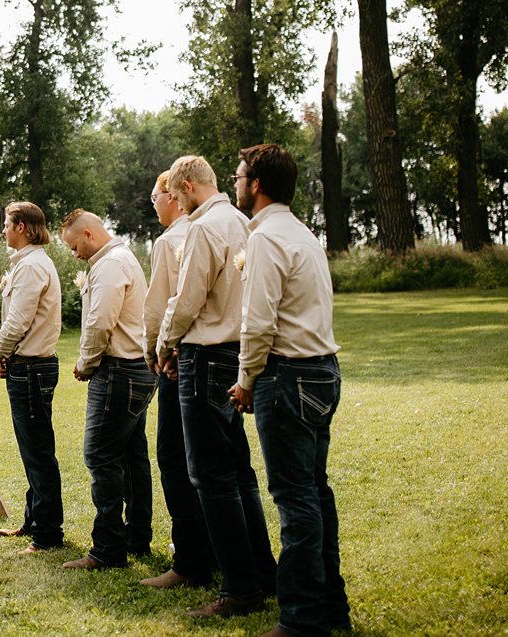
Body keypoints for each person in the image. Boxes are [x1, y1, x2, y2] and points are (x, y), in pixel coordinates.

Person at [229, 145, 350, 637]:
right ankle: (331, 610)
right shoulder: (303, 234)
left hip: (289, 375)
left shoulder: (264, 240)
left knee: (295, 499)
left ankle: (301, 621)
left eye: (238, 176)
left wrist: (245, 381)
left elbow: (258, 323)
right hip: (324, 370)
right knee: (315, 494)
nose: (235, 183)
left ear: (256, 184)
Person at [156, 155, 277, 618]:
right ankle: (263, 572)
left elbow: (186, 299)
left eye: (176, 193)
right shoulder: (244, 222)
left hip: (205, 354)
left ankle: (241, 587)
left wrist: (166, 347)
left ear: (187, 186)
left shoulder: (205, 228)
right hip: (235, 352)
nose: (175, 202)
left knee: (210, 475)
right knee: (238, 470)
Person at [60, 209, 155, 572]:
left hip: (119, 371)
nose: (75, 254)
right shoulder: (121, 257)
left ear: (88, 233)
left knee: (99, 455)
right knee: (132, 456)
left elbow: (100, 323)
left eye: (74, 246)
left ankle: (108, 548)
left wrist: (85, 363)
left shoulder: (111, 264)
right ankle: (137, 537)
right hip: (135, 369)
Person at [139, 170, 214, 589]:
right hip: (218, 356)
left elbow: (159, 307)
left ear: (172, 196)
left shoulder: (170, 241)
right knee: (212, 460)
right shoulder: (219, 227)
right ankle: (217, 547)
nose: (154, 204)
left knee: (173, 456)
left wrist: (156, 351)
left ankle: (190, 559)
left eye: (155, 197)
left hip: (179, 360)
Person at [0, 200, 65, 553]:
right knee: (32, 450)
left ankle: (47, 534)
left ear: (22, 228)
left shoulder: (32, 266)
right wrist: (9, 357)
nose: (3, 229)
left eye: (7, 223)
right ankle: (34, 522)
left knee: (38, 452)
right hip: (25, 366)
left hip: (32, 370)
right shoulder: (27, 264)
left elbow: (17, 322)